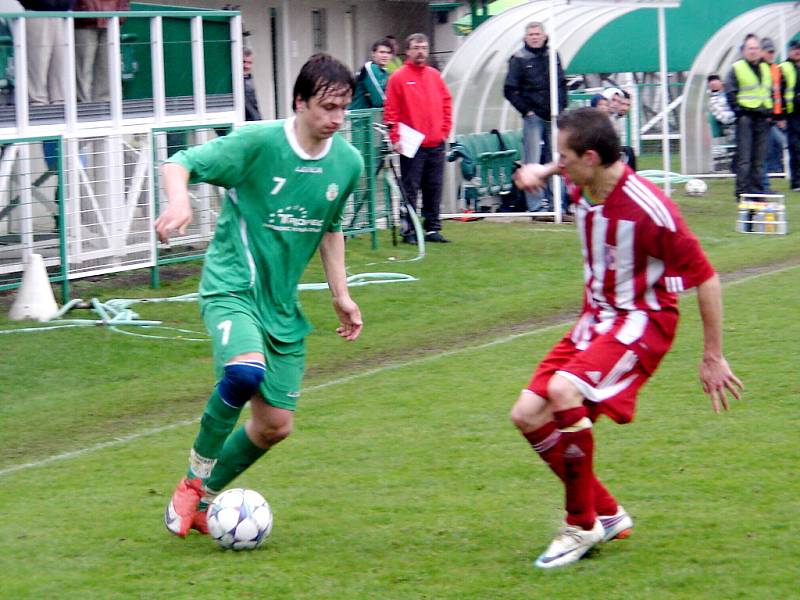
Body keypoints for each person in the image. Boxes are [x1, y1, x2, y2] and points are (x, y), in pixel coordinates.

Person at [511, 107, 743, 569]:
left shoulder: (650, 209)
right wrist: (543, 169)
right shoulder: (587, 177)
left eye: (563, 156)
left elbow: (707, 278)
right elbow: (565, 164)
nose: (559, 164)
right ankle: (609, 513)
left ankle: (580, 525)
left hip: (641, 321)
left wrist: (713, 355)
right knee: (527, 414)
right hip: (595, 319)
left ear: (591, 158)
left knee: (562, 391)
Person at [155, 53, 365, 538]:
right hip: (231, 287)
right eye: (326, 107)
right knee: (246, 370)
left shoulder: (347, 162)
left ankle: (204, 502)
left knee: (275, 426)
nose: (336, 119)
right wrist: (180, 199)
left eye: (343, 109)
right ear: (298, 102)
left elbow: (330, 229)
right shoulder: (257, 143)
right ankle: (194, 479)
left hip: (281, 307)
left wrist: (341, 295)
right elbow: (178, 162)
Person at [383, 32, 453, 244]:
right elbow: (391, 110)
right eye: (416, 48)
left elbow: (446, 102)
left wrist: (444, 130)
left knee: (434, 187)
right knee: (410, 187)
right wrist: (394, 137)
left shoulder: (434, 75)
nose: (420, 51)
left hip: (436, 142)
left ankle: (432, 228)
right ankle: (409, 229)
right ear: (408, 51)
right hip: (411, 144)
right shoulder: (398, 78)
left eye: (423, 47)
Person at [503, 21, 567, 213]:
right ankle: (536, 206)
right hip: (533, 117)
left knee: (556, 159)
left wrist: (562, 106)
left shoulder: (552, 55)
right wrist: (526, 110)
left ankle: (559, 204)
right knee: (532, 160)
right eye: (531, 34)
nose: (535, 37)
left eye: (537, 33)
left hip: (554, 116)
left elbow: (562, 83)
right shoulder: (519, 58)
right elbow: (510, 90)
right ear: (525, 38)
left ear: (544, 35)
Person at [726, 34, 772, 200]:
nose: (753, 51)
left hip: (762, 117)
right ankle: (742, 191)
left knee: (759, 158)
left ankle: (758, 191)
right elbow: (730, 91)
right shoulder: (737, 68)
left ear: (760, 50)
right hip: (745, 117)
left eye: (756, 48)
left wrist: (770, 112)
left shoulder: (766, 68)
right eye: (750, 48)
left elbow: (769, 91)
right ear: (744, 50)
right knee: (744, 157)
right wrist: (738, 111)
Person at [73, 0, 129, 103]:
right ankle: (84, 106)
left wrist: (122, 9)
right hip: (85, 18)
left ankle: (104, 104)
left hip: (112, 17)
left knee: (107, 65)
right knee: (84, 66)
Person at [20, 0, 73, 105]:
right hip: (36, 13)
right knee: (38, 61)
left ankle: (59, 101)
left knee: (60, 62)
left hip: (62, 15)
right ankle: (37, 102)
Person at [760, 37, 787, 190]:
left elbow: (779, 94)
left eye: (772, 51)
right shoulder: (760, 69)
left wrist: (780, 115)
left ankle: (771, 175)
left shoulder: (775, 69)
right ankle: (766, 181)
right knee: (767, 149)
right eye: (768, 51)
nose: (771, 54)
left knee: (776, 146)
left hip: (774, 117)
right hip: (764, 117)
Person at [349, 38, 393, 110]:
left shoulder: (384, 72)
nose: (385, 56)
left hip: (370, 117)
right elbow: (379, 101)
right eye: (382, 52)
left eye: (388, 53)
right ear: (373, 54)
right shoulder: (370, 67)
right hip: (359, 117)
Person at [781, 40, 800, 191]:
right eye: (794, 49)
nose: (797, 51)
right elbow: (779, 91)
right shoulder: (784, 67)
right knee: (795, 148)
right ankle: (796, 182)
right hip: (792, 113)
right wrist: (780, 114)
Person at [242, 47, 262, 121]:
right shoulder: (235, 82)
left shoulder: (248, 78)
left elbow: (253, 105)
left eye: (249, 63)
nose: (246, 66)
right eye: (243, 62)